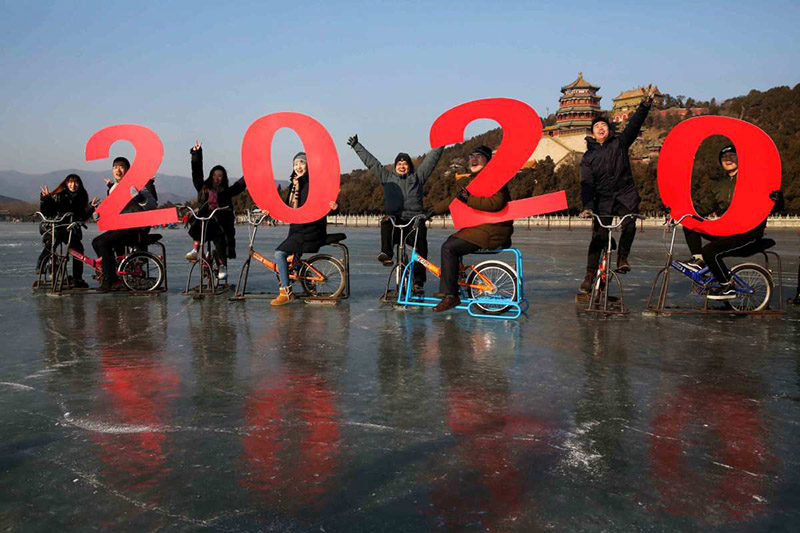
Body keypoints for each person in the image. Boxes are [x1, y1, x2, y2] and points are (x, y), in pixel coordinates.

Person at [578, 85, 657, 293]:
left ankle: (622, 257)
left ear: (609, 129)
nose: (601, 128)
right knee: (599, 238)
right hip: (602, 200)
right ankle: (588, 276)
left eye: (604, 125)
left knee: (629, 225)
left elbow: (633, 125)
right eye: (597, 127)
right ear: (593, 134)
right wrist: (587, 207)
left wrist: (645, 104)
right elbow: (586, 185)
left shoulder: (620, 144)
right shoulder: (588, 158)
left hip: (625, 195)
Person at [679, 145, 783, 299]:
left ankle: (727, 286)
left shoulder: (754, 180)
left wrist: (778, 199)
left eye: (732, 156)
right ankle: (698, 259)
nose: (728, 159)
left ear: (741, 159)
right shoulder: (720, 185)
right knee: (689, 224)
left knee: (710, 251)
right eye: (724, 157)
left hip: (748, 234)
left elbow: (773, 207)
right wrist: (681, 212)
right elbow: (706, 207)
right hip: (726, 231)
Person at [348, 134, 443, 296]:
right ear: (395, 166)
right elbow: (372, 163)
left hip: (414, 219)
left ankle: (418, 281)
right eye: (399, 163)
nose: (402, 166)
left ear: (410, 166)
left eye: (405, 163)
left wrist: (441, 144)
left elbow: (431, 160)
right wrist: (357, 146)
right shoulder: (387, 177)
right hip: (395, 219)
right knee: (386, 221)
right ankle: (387, 253)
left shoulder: (417, 178)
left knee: (420, 248)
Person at [425, 145, 513, 313]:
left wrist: (469, 199)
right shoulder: (475, 180)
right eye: (471, 156)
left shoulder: (494, 178)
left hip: (493, 230)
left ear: (488, 160)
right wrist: (431, 210)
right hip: (484, 228)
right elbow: (455, 200)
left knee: (449, 248)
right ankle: (452, 284)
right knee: (452, 240)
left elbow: (496, 203)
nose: (473, 159)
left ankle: (451, 295)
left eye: (478, 156)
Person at [270, 152, 338, 306]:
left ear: (309, 165)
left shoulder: (316, 184)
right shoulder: (295, 184)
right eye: (295, 164)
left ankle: (286, 291)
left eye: (302, 163)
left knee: (279, 254)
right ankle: (307, 279)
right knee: (291, 260)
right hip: (297, 229)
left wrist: (334, 207)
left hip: (312, 229)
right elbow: (289, 207)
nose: (298, 167)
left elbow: (328, 204)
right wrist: (270, 211)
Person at [91, 157, 158, 292]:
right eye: (115, 167)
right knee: (96, 242)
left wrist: (139, 197)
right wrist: (98, 215)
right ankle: (109, 272)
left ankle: (112, 281)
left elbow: (153, 205)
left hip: (136, 229)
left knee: (104, 242)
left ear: (128, 170)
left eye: (121, 166)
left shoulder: (137, 185)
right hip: (121, 228)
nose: (118, 169)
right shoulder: (113, 188)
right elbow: (111, 211)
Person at [185, 141, 247, 280]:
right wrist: (196, 154)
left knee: (220, 238)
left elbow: (240, 185)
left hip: (220, 224)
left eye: (220, 176)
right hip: (205, 223)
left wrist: (251, 171)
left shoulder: (226, 191)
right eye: (214, 175)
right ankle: (195, 249)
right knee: (200, 223)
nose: (216, 178)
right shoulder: (203, 188)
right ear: (210, 176)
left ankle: (222, 265)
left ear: (223, 178)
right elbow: (196, 173)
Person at [36, 174, 99, 288]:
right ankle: (40, 265)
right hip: (56, 227)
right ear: (66, 183)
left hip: (71, 229)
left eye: (76, 182)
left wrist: (90, 208)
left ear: (79, 184)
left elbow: (82, 216)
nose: (73, 185)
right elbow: (47, 212)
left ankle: (77, 278)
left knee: (78, 250)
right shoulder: (59, 195)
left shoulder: (82, 196)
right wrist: (45, 199)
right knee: (52, 243)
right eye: (70, 182)